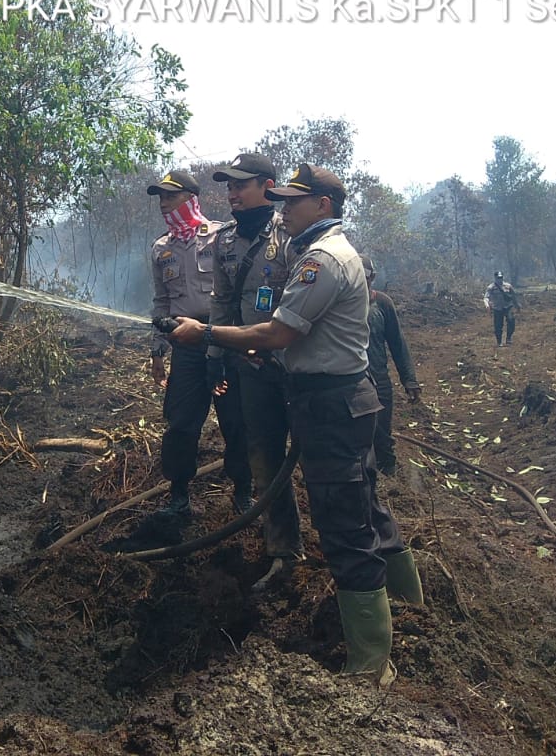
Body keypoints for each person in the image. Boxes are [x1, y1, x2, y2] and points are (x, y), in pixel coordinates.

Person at [167, 164, 423, 687]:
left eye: (294, 200)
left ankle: (371, 666)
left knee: (344, 526)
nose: (284, 208)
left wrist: (208, 335)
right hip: (338, 400)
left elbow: (280, 331)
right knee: (366, 504)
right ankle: (409, 601)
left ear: (323, 205)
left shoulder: (319, 259)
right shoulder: (314, 250)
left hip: (329, 403)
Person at [207, 154, 304, 587]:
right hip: (252, 369)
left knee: (321, 459)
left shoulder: (294, 236)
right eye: (228, 187)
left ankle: (350, 551)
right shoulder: (224, 242)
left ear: (267, 186)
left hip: (301, 369)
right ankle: (283, 553)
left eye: (239, 186)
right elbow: (223, 303)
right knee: (264, 456)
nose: (231, 194)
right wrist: (217, 358)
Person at [147, 170, 249, 518]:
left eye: (170, 197)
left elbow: (237, 295)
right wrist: (157, 350)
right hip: (186, 348)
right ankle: (178, 496)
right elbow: (161, 302)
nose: (163, 204)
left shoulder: (223, 237)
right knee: (180, 424)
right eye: (160, 198)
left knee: (236, 421)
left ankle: (244, 492)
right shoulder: (161, 249)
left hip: (225, 343)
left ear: (191, 198)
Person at [360, 256, 422, 477]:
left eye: (364, 277)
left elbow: (397, 343)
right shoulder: (341, 303)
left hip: (379, 380)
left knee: (382, 433)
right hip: (352, 381)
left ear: (372, 277)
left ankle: (390, 479)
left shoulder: (383, 304)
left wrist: (409, 379)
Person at [484, 271, 521, 347]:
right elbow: (486, 297)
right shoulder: (491, 287)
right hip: (497, 308)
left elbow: (514, 297)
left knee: (511, 321)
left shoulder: (508, 286)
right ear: (495, 278)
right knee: (498, 326)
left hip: (508, 307)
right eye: (498, 278)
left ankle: (508, 338)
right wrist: (487, 305)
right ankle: (499, 342)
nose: (499, 279)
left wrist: (517, 306)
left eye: (501, 277)